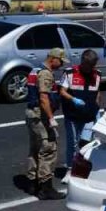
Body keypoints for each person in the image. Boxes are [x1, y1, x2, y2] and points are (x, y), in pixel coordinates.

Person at [24, 48, 66, 200]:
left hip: (31, 114)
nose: (61, 65)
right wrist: (51, 118)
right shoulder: (46, 73)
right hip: (40, 115)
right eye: (60, 61)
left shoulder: (35, 70)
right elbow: (43, 98)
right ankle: (46, 188)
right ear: (53, 58)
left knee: (35, 148)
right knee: (48, 149)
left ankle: (31, 183)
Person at [59, 49, 102, 180]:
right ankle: (70, 169)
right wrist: (73, 99)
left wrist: (98, 109)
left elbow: (98, 92)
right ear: (83, 61)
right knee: (72, 143)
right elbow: (62, 91)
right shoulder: (70, 73)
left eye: (93, 65)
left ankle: (84, 168)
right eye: (89, 65)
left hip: (89, 116)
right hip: (73, 115)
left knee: (87, 143)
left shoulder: (97, 74)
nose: (91, 68)